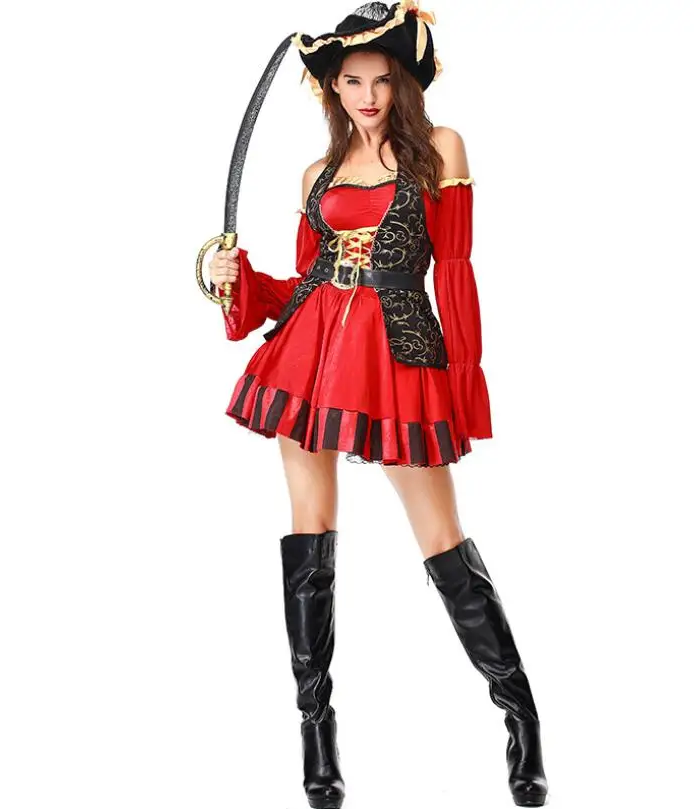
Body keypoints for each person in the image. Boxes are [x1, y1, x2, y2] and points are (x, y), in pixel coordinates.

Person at [207, 3, 549, 807]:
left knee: (441, 537)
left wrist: (463, 383)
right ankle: (316, 739)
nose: (366, 96)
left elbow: (454, 273)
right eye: (352, 81)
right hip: (310, 358)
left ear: (403, 84)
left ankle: (522, 717)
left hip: (399, 357)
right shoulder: (316, 176)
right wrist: (232, 279)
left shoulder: (439, 150)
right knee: (309, 535)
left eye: (381, 81)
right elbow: (303, 286)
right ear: (332, 88)